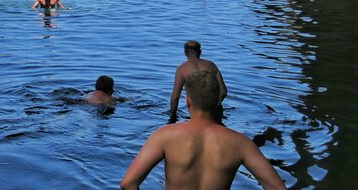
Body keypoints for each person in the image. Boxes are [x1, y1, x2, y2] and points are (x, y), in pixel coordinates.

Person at [121, 71, 286, 190]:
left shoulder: (164, 136)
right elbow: (277, 187)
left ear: (188, 101)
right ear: (218, 103)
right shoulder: (241, 143)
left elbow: (128, 183)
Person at [169, 40, 227, 121]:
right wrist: (214, 106)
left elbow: (175, 97)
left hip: (196, 112)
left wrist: (172, 115)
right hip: (215, 111)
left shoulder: (182, 69)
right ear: (200, 52)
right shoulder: (211, 65)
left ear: (185, 53)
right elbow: (223, 92)